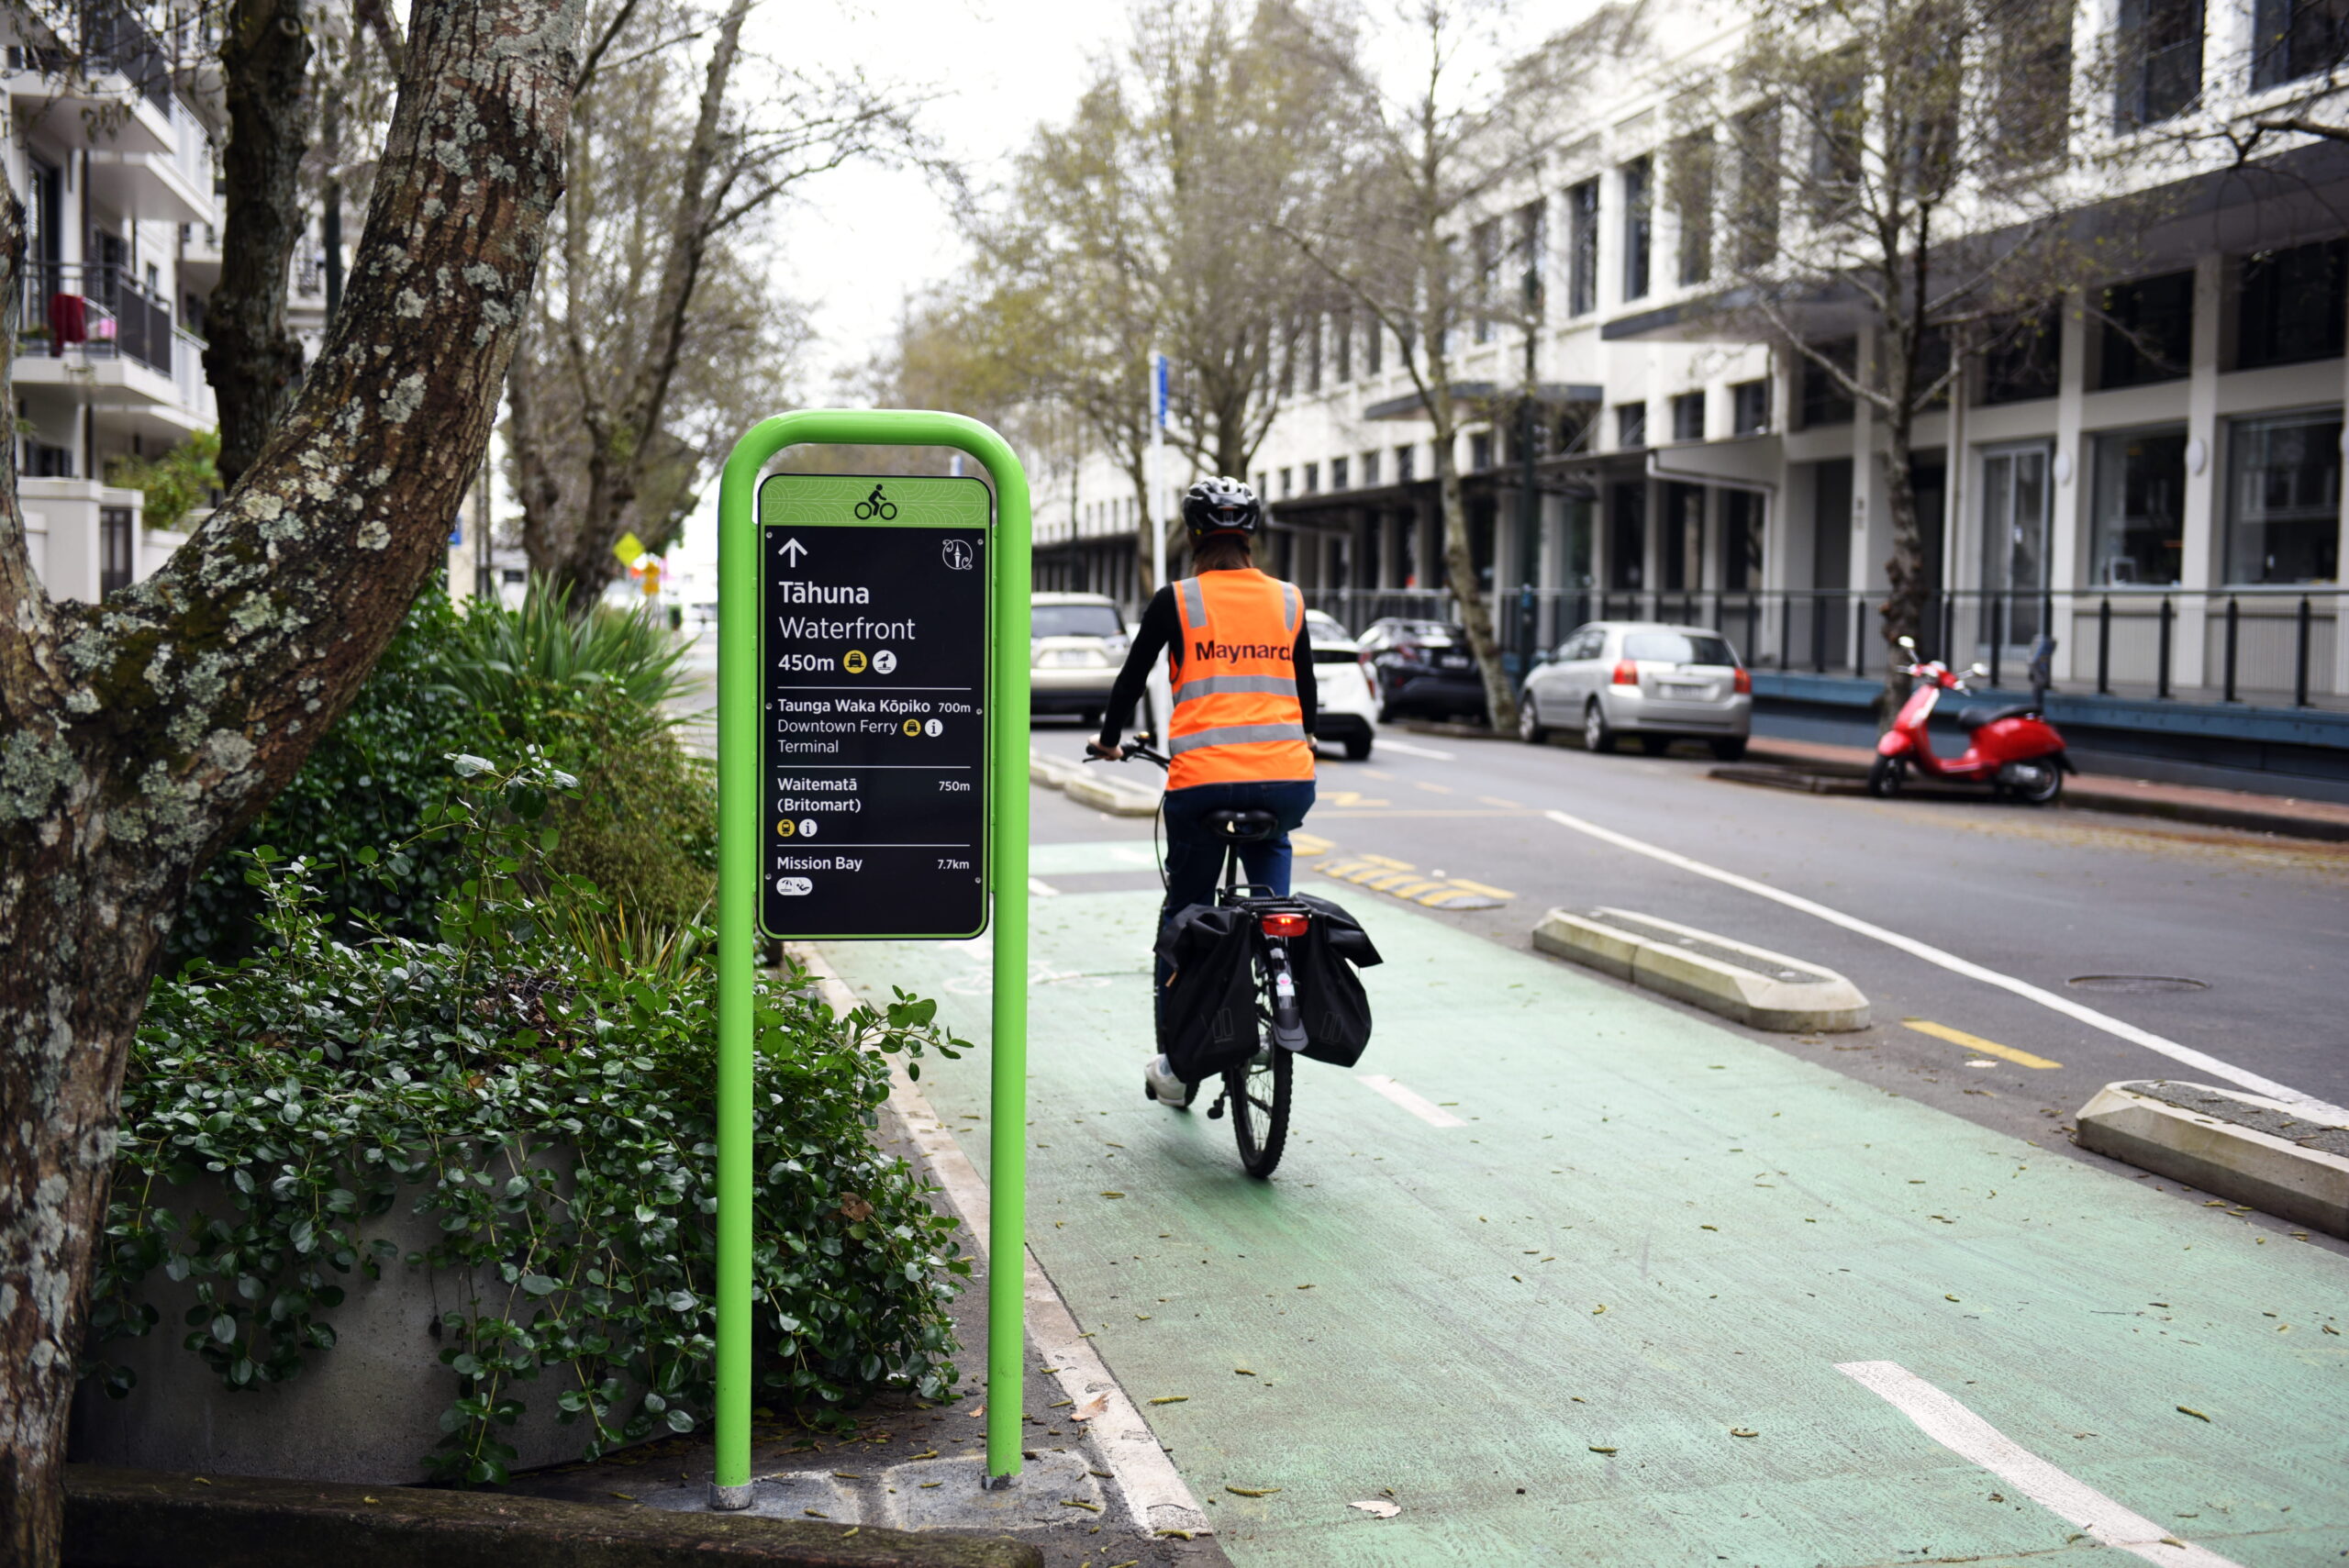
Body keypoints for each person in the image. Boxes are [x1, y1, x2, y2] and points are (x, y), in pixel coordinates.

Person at [1086, 475, 1317, 1104]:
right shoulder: (1290, 601)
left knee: (1185, 916)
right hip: (1285, 783)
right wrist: (1308, 739)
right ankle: (1278, 957)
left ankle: (1178, 1064)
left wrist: (1110, 740)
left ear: (1193, 536)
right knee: (1273, 901)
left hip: (1202, 786)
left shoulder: (1177, 601)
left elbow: (1131, 680)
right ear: (1251, 536)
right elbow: (1307, 697)